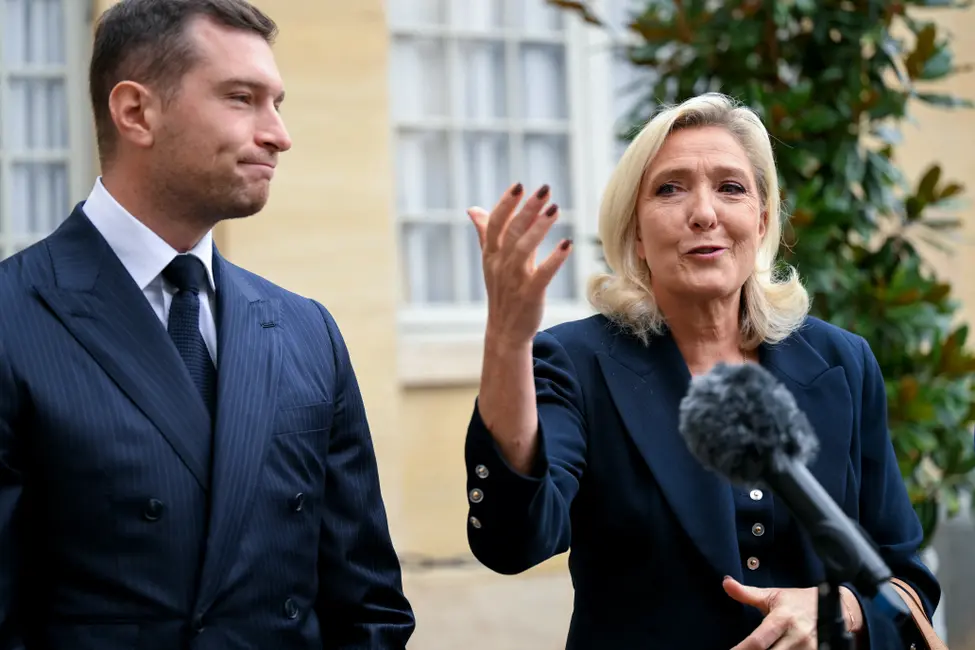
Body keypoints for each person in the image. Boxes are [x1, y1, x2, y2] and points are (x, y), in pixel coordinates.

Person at [0, 1, 414, 648]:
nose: (278, 134)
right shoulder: (12, 317)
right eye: (242, 98)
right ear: (136, 112)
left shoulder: (308, 332)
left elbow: (367, 604)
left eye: (277, 102)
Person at [463, 92, 939, 649]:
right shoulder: (576, 362)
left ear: (761, 221)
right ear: (636, 232)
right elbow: (515, 538)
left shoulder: (841, 362)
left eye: (731, 188)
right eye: (670, 188)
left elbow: (907, 579)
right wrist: (507, 341)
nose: (705, 213)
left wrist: (840, 609)